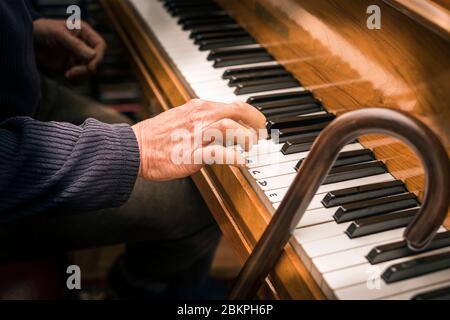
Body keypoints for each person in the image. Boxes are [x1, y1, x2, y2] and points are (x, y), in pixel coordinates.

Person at [0, 1, 265, 298]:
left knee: (196, 162)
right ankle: (135, 288)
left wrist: (24, 30)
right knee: (203, 195)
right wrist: (134, 146)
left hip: (23, 104)